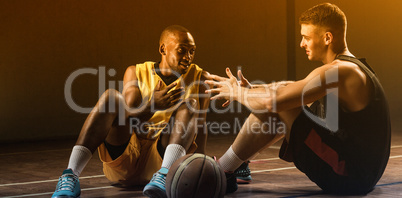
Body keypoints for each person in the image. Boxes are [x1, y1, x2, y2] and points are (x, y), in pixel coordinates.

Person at [206, 3, 390, 195]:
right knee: (284, 99)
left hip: (349, 176)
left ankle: (223, 170)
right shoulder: (350, 67)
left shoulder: (340, 71)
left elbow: (275, 101)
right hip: (359, 173)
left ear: (327, 37)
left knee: (282, 104)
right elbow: (288, 88)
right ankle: (231, 166)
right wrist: (252, 90)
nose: (302, 43)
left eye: (306, 37)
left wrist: (236, 93)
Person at [52, 25, 211, 198]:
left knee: (190, 104)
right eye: (182, 50)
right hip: (126, 157)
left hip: (162, 159)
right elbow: (127, 118)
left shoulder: (200, 78)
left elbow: (200, 128)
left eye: (192, 51)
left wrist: (203, 166)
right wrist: (152, 106)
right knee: (111, 97)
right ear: (163, 49)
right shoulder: (136, 72)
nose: (188, 57)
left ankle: (164, 175)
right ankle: (70, 174)